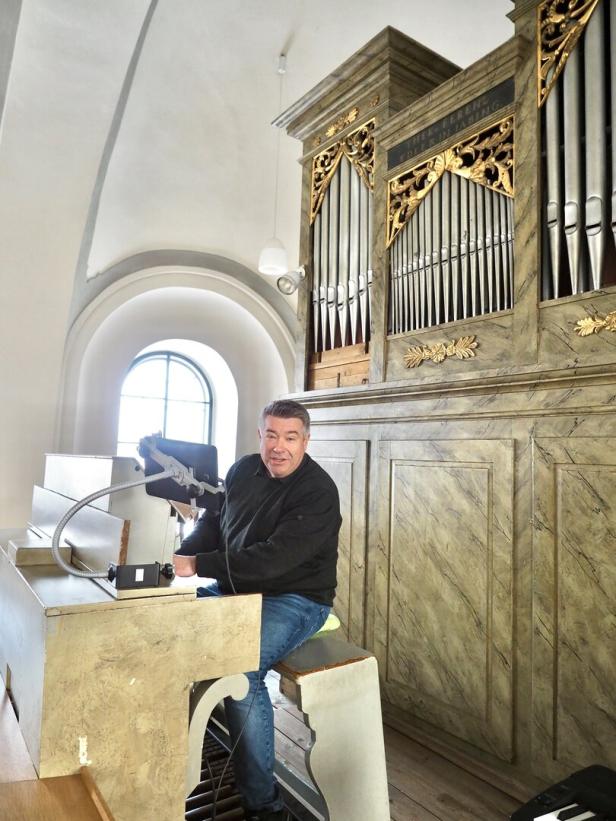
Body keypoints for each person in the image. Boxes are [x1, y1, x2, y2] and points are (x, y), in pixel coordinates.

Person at [173, 399, 341, 821]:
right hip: (234, 587)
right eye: (271, 435)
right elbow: (213, 522)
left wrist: (200, 565)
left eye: (289, 437)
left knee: (240, 667)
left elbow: (273, 560)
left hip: (295, 598)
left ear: (305, 440)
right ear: (259, 435)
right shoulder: (242, 469)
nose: (278, 447)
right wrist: (184, 553)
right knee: (162, 625)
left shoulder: (318, 492)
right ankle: (182, 757)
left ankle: (265, 808)